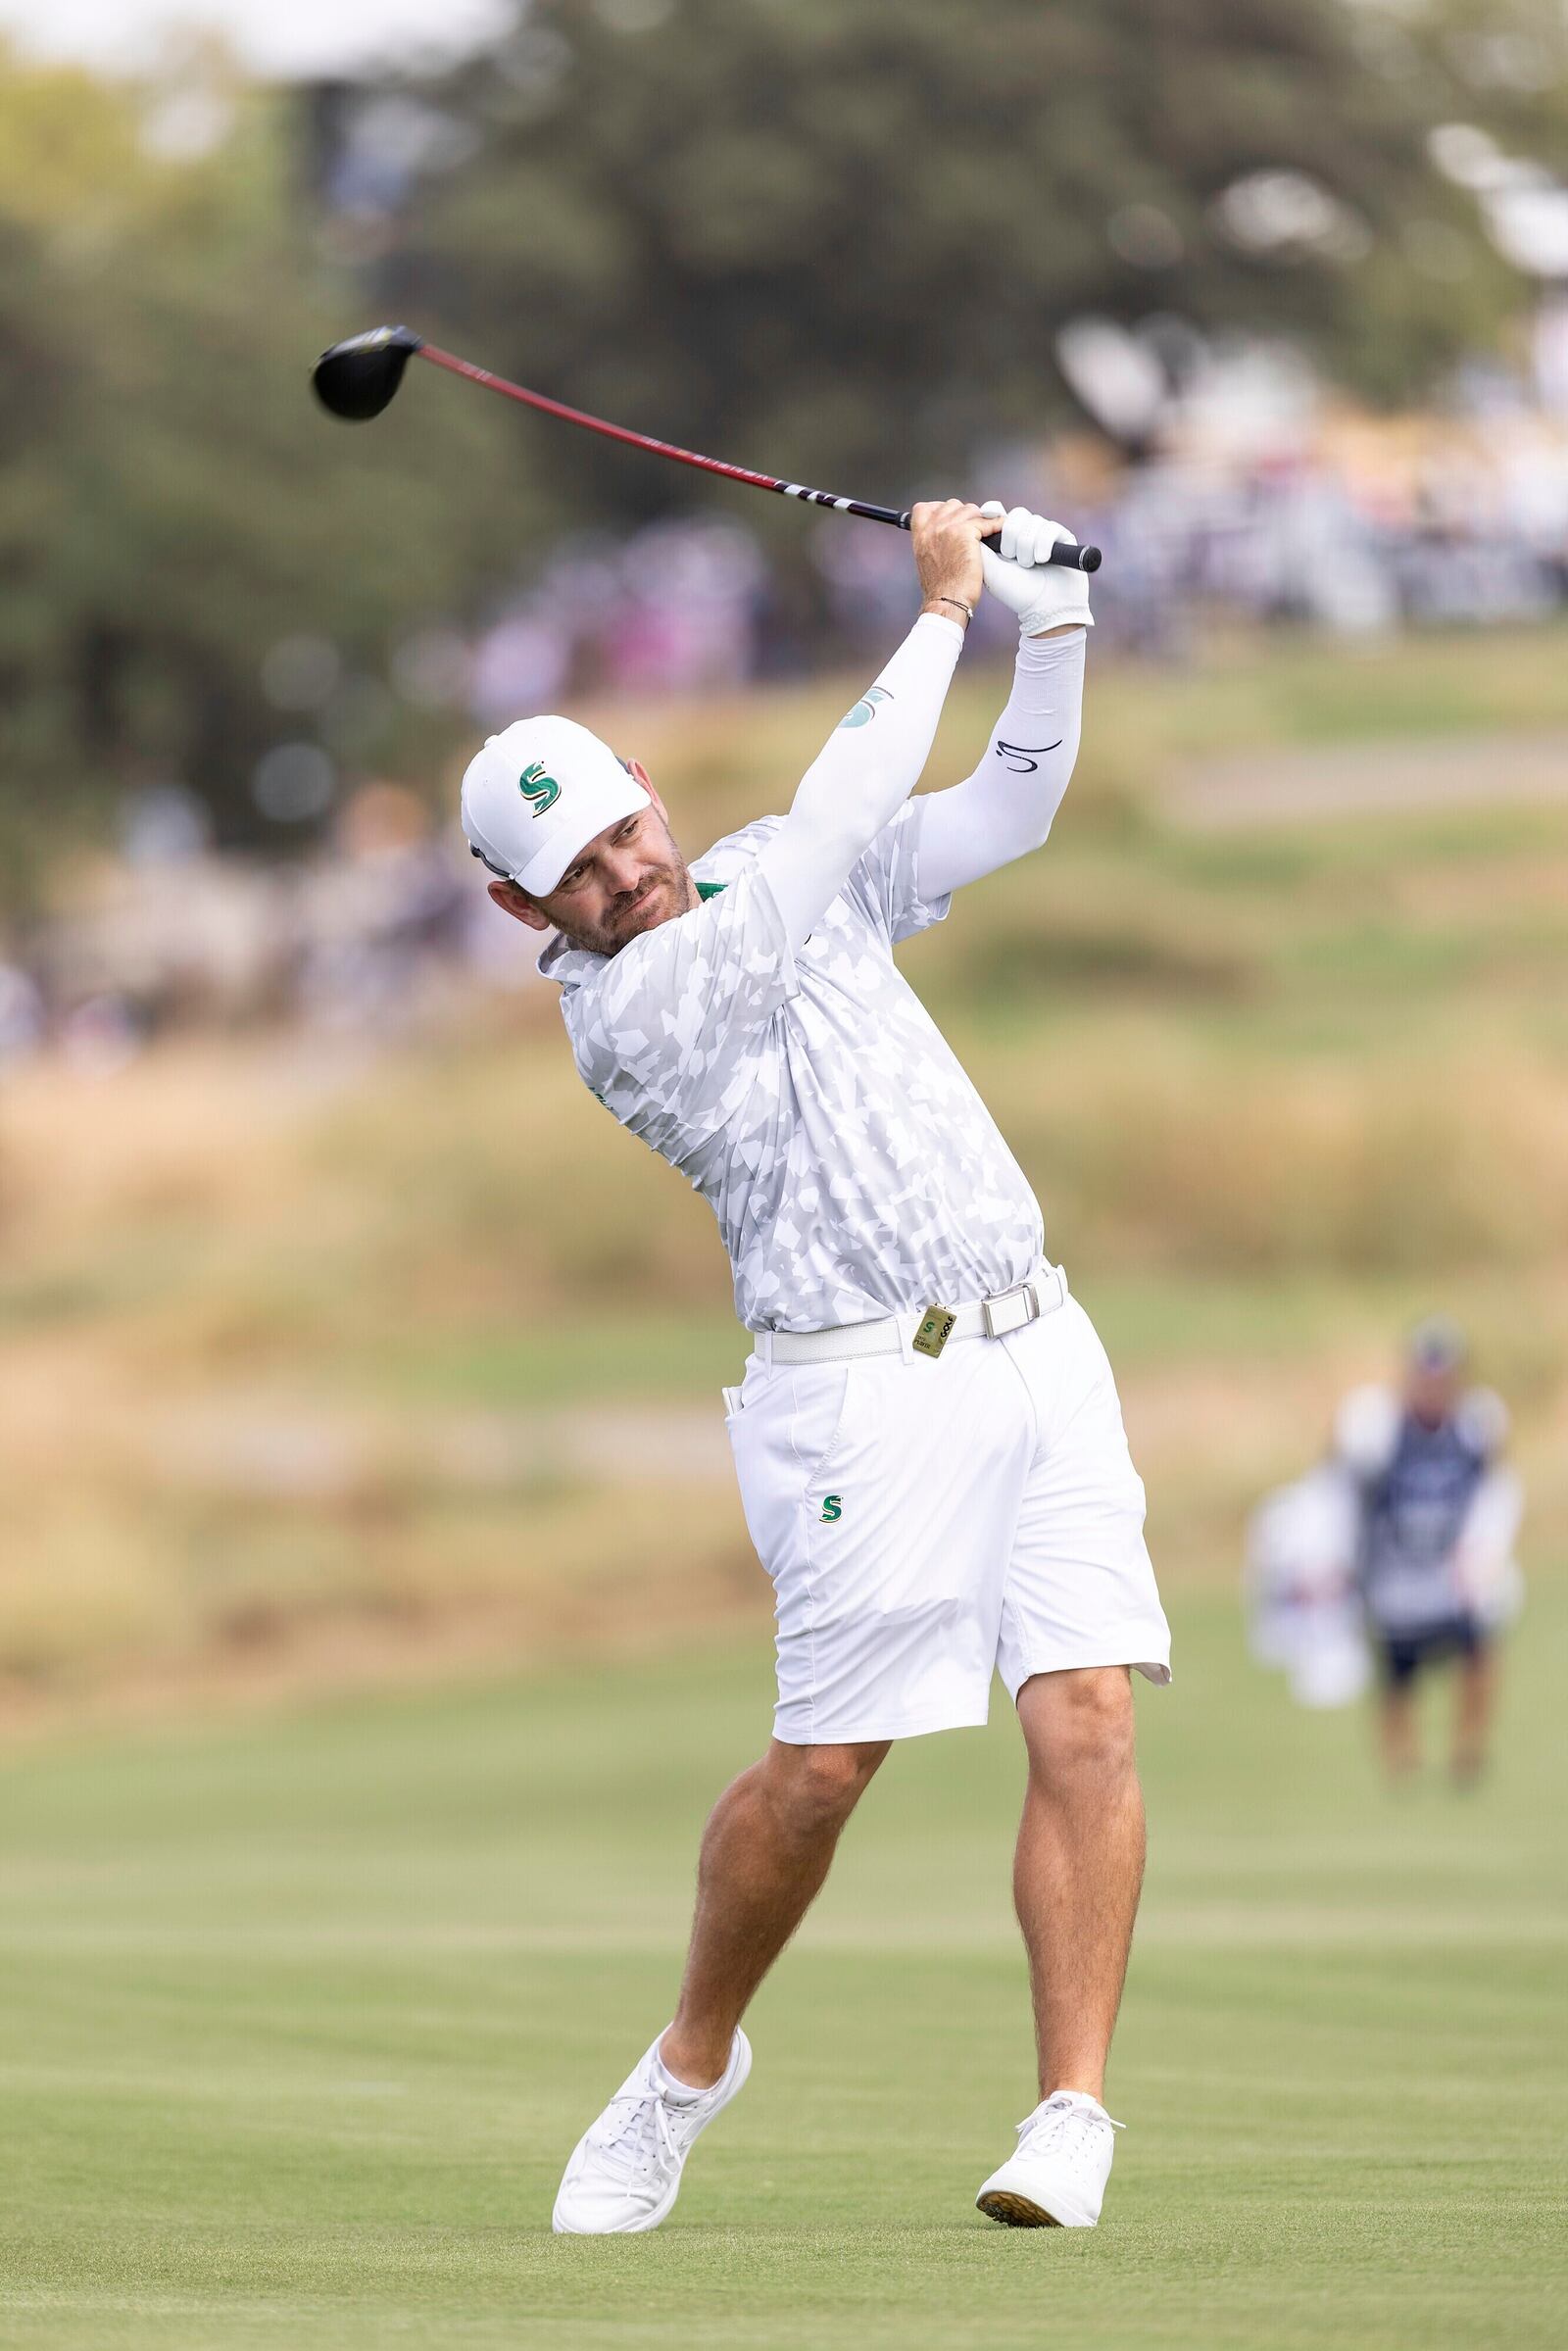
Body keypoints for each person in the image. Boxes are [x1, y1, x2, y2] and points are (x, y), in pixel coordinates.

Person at [461, 500, 1171, 2233]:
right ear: (518, 902)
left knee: (1084, 1708)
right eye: (582, 874)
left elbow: (1010, 805)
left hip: (1034, 1338)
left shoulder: (782, 858)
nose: (625, 873)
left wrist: (1053, 628)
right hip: (858, 1390)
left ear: (643, 781)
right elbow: (830, 822)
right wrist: (943, 608)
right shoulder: (628, 1015)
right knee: (825, 1766)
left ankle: (1069, 2110)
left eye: (626, 828)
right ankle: (689, 2061)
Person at [1333, 1318, 1522, 1786]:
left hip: (1452, 1573)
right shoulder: (1377, 1428)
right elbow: (1347, 1493)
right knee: (1398, 1674)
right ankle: (1401, 1762)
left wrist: (1485, 1551)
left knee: (1480, 1653)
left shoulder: (1476, 1425)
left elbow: (1497, 1488)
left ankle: (1468, 1755)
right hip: (1397, 1576)